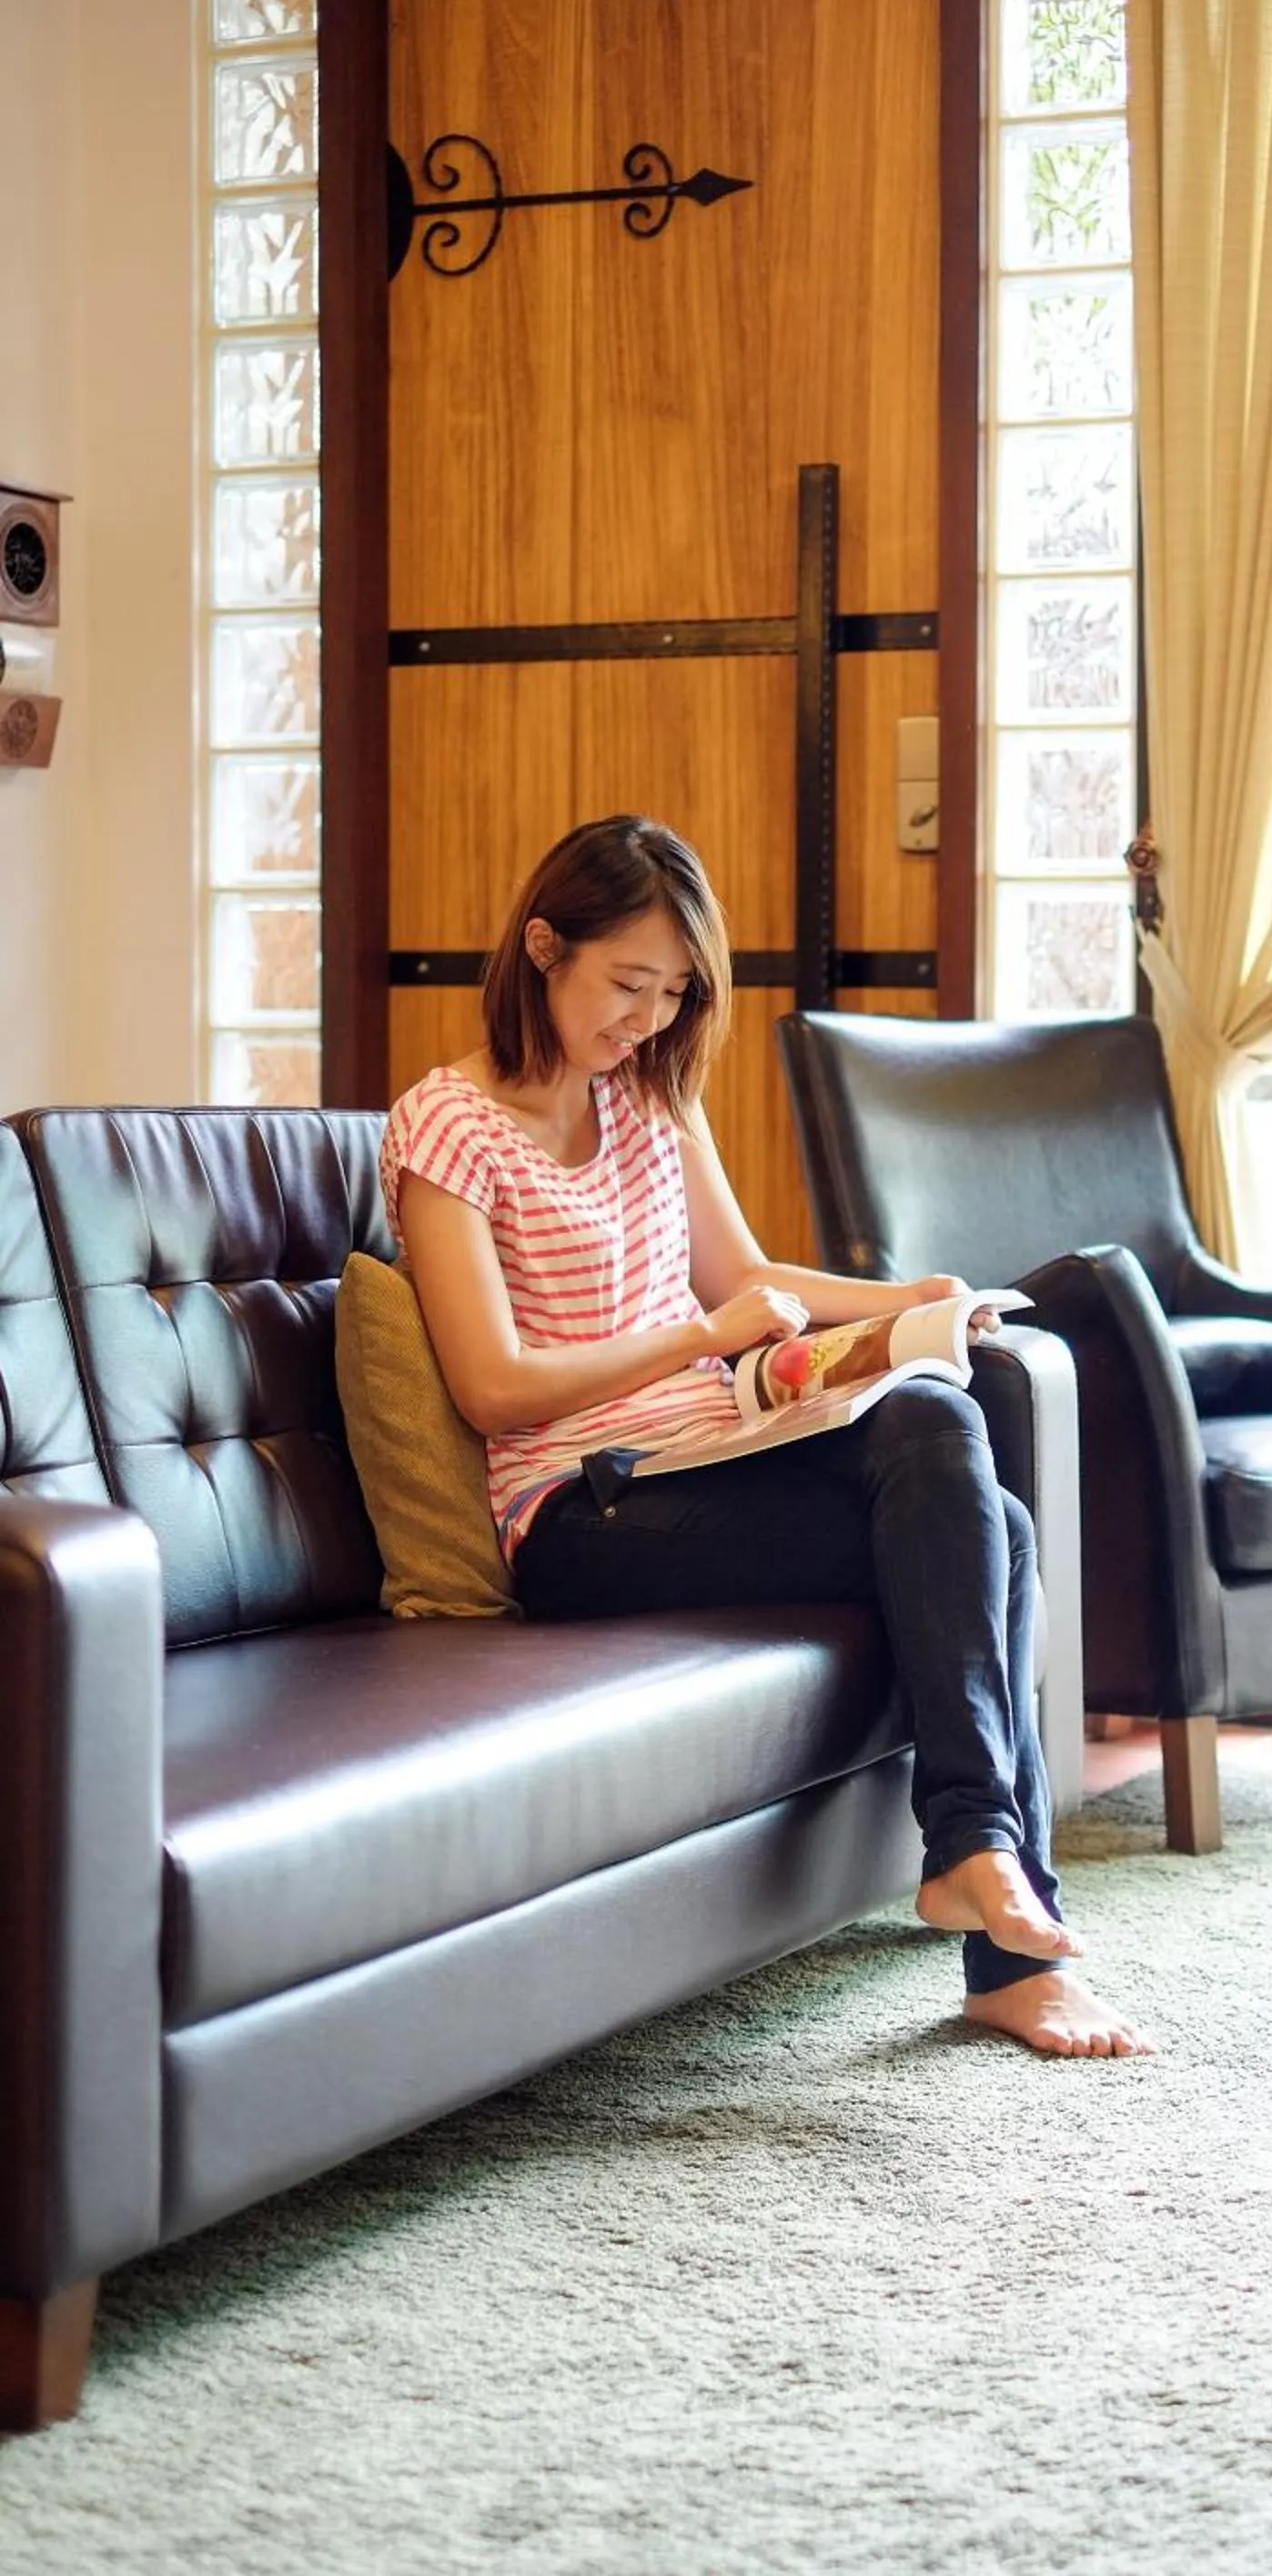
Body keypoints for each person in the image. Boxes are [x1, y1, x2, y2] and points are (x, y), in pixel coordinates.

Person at [382, 814, 1150, 2059]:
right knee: (995, 1533)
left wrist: (911, 1299)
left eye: (673, 993)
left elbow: (743, 1275)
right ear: (544, 948)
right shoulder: (447, 1128)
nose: (647, 1020)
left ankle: (977, 1863)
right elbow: (492, 1389)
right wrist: (699, 1339)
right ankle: (1006, 1932)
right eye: (628, 984)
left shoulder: (649, 1096)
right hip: (580, 1508)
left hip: (714, 1452)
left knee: (944, 1428)